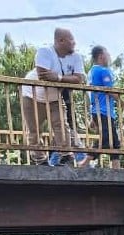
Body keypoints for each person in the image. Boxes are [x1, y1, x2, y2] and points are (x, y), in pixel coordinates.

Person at [21, 27, 85, 166]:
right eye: (71, 40)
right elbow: (43, 75)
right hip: (32, 95)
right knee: (34, 129)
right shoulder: (45, 51)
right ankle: (41, 160)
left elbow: (79, 79)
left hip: (54, 96)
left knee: (61, 125)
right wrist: (66, 78)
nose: (74, 43)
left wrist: (59, 77)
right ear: (61, 41)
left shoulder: (76, 57)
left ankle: (66, 155)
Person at [86, 45, 121, 169]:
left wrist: (92, 115)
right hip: (104, 111)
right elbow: (110, 91)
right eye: (107, 54)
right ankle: (84, 162)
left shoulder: (91, 72)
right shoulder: (103, 71)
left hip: (100, 111)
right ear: (101, 56)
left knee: (114, 142)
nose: (109, 57)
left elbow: (93, 95)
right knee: (106, 137)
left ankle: (116, 170)